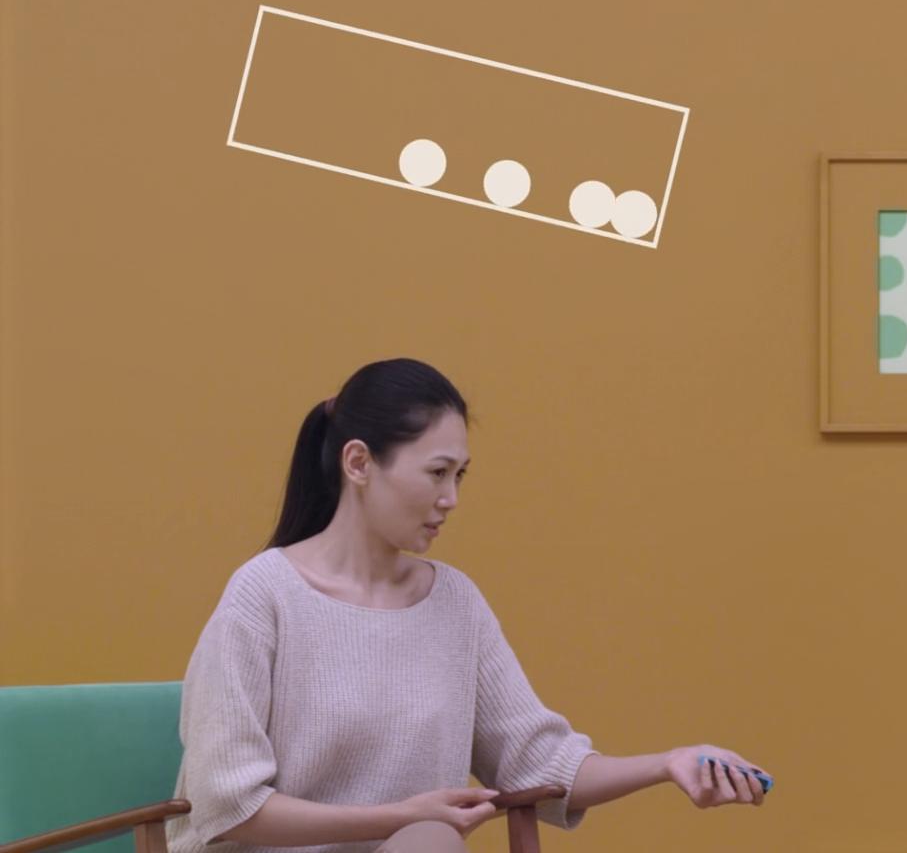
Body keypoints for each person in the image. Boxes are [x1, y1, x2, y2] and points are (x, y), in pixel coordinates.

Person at [169, 358, 769, 852]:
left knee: (429, 840)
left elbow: (539, 761)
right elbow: (229, 806)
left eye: (460, 475)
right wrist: (398, 816)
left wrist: (670, 763)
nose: (451, 498)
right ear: (359, 463)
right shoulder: (264, 594)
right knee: (427, 836)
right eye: (437, 473)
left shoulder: (455, 603)